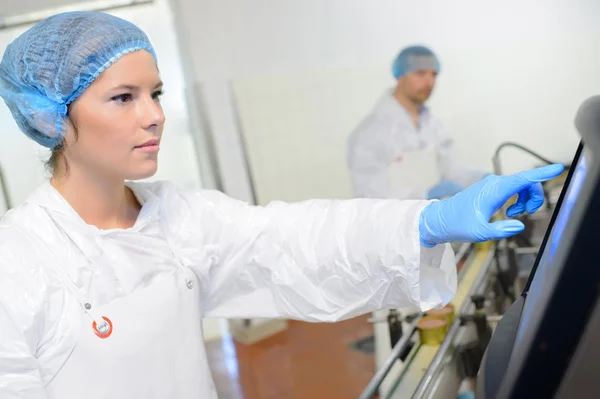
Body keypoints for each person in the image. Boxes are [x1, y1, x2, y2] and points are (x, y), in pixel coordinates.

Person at [0, 12, 562, 399]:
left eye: (156, 94)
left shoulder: (176, 217)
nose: (155, 115)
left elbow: (292, 237)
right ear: (53, 117)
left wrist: (426, 222)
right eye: (124, 97)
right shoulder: (19, 262)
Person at [347, 45, 486, 201]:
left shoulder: (432, 124)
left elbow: (448, 168)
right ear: (399, 75)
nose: (430, 82)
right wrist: (423, 195)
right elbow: (370, 195)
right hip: (397, 223)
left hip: (435, 218)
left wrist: (482, 179)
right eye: (420, 73)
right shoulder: (368, 134)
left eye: (434, 74)